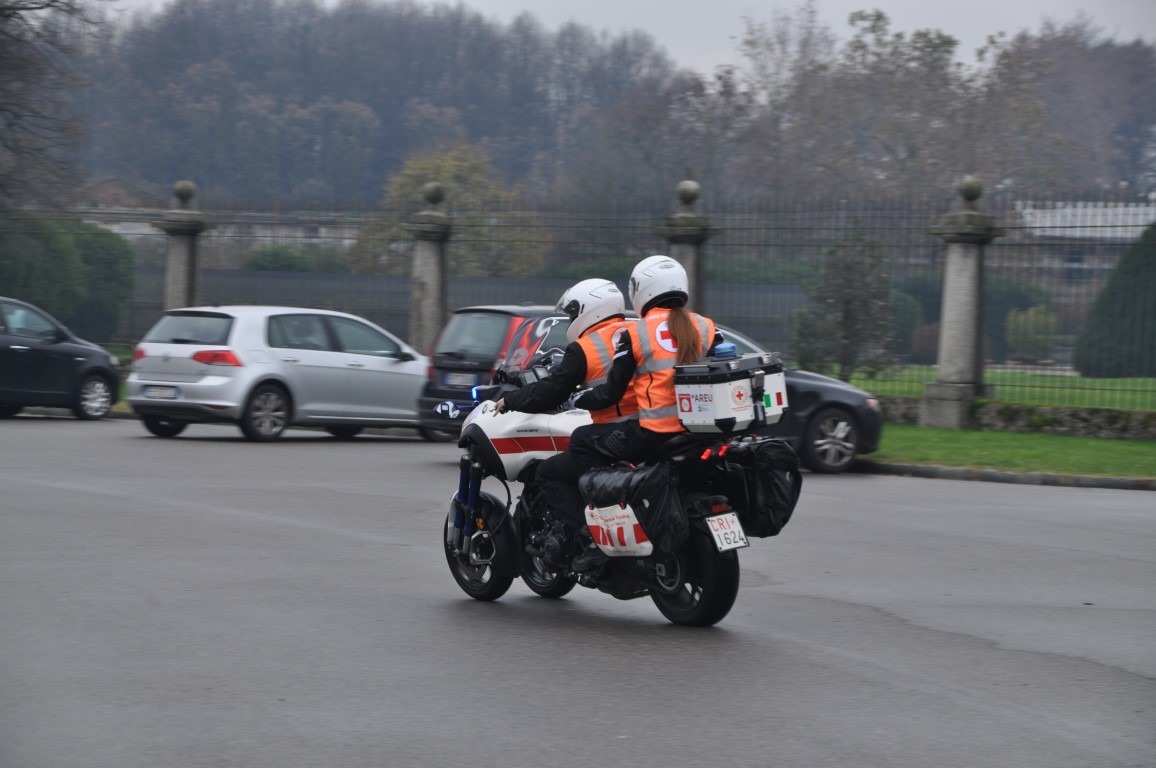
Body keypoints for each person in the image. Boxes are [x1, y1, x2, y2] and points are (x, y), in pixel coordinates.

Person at [491, 278, 639, 537]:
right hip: (651, 427)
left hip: (614, 433)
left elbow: (554, 390)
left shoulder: (586, 347)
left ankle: (589, 535)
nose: (571, 320)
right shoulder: (638, 331)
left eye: (572, 314)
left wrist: (510, 401)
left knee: (549, 473)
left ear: (588, 310)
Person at [570, 255, 723, 477]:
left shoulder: (635, 333)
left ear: (641, 289)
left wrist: (578, 398)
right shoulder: (707, 326)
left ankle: (608, 498)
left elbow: (611, 393)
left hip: (655, 432)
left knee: (581, 439)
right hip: (703, 430)